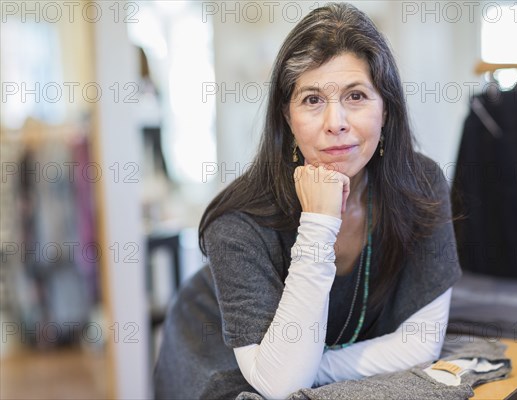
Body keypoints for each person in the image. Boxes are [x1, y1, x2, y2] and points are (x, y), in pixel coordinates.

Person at [154, 3, 461, 399]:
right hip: (219, 358)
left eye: (356, 95)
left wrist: (316, 365)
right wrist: (318, 223)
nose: (336, 122)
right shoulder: (237, 221)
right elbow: (281, 385)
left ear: (386, 108)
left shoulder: (421, 184)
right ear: (287, 116)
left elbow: (421, 343)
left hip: (310, 366)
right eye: (312, 100)